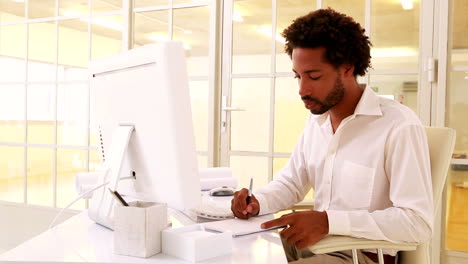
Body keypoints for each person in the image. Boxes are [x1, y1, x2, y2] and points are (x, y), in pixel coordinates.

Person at [230, 8, 432, 264]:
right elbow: (292, 183)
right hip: (311, 246)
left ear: (347, 68)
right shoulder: (317, 121)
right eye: (298, 76)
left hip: (361, 256)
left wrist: (328, 222)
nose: (302, 90)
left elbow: (417, 223)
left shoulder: (398, 125)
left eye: (313, 76)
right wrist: (257, 202)